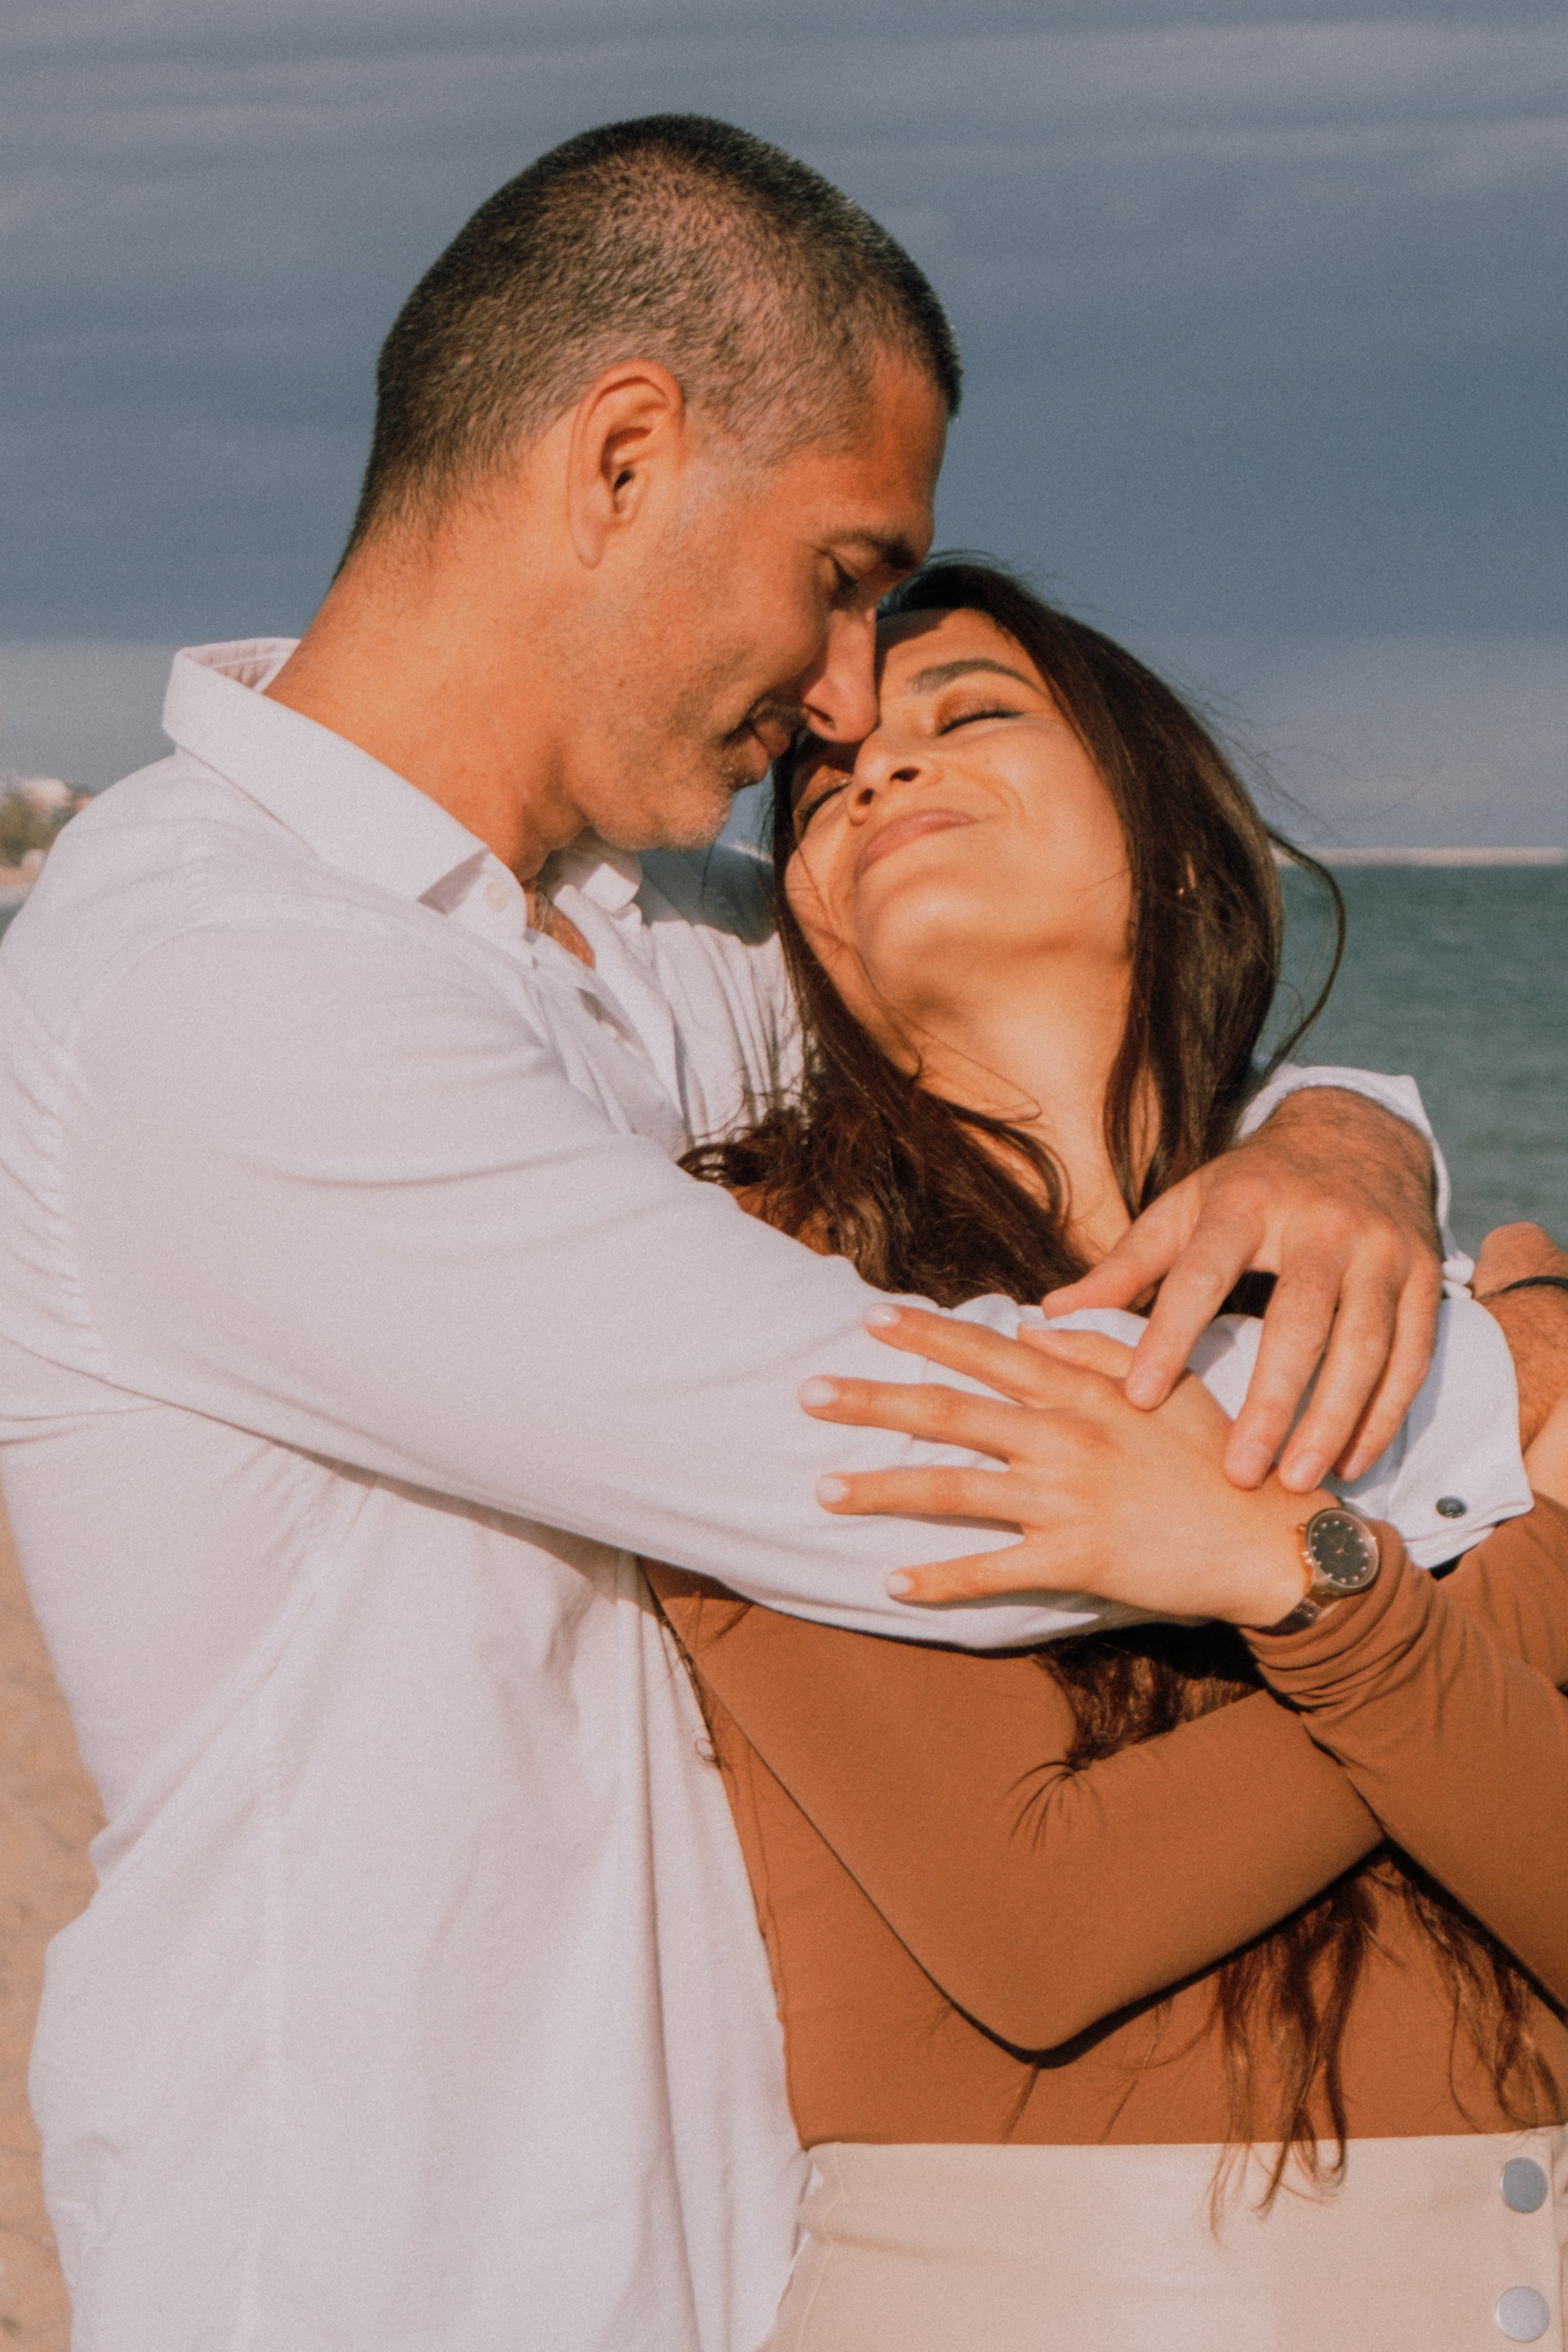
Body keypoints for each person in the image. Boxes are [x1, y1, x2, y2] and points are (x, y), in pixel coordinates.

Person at [0, 120, 1472, 2352]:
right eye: (846, 572)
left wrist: (1357, 1144)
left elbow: (1053, 1042)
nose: (849, 695)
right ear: (622, 458)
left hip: (740, 2263)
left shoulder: (630, 953)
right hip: (386, 2273)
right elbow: (949, 1477)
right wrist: (1497, 1412)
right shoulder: (219, 985)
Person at [647, 559, 1568, 2351]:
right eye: (822, 789)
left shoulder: (1425, 1311)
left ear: (1176, 851)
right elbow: (1038, 1917)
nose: (878, 768)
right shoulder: (759, 1286)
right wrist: (1353, 1580)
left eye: (971, 713)